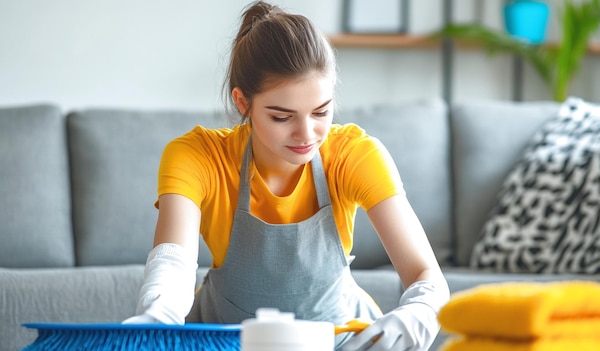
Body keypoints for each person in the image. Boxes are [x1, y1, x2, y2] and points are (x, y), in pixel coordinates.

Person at [124, 1, 450, 350]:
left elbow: (424, 274)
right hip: (225, 342)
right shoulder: (198, 156)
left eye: (321, 112)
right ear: (242, 102)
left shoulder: (355, 155)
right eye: (282, 117)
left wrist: (420, 310)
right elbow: (174, 265)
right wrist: (159, 314)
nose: (307, 134)